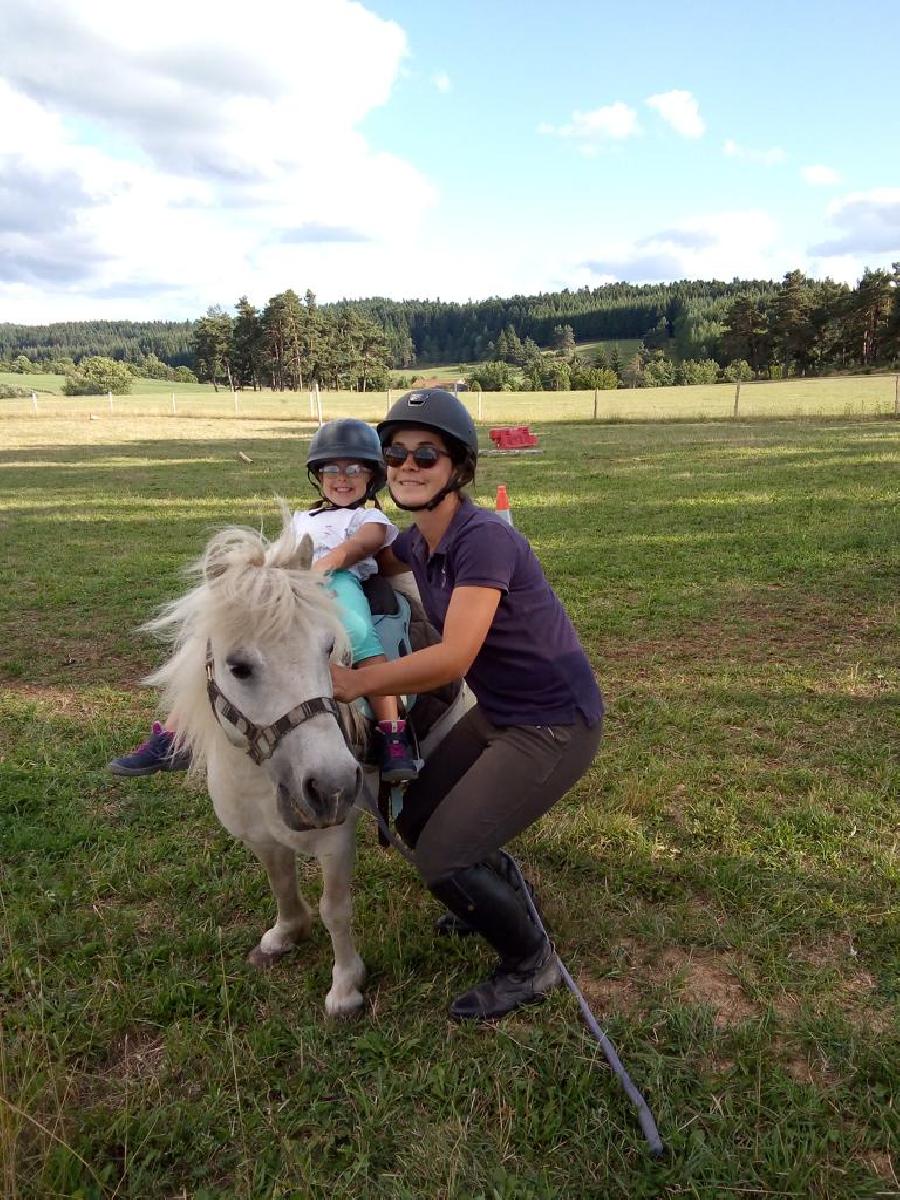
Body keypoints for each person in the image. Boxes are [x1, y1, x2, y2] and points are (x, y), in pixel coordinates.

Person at [330, 389, 604, 1021]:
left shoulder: (483, 540)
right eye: (394, 453)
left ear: (459, 468)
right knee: (416, 818)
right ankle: (500, 891)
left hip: (552, 722)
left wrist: (354, 685)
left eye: (426, 454)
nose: (407, 465)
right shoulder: (421, 539)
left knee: (442, 857)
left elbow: (453, 659)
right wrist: (332, 559)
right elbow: (379, 547)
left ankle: (531, 965)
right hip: (503, 712)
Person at [108, 419, 418, 783]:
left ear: (372, 476)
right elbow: (281, 550)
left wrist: (321, 567)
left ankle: (393, 732)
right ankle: (174, 736)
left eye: (354, 469)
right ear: (317, 475)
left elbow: (362, 545)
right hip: (290, 583)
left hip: (338, 581)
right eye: (330, 468)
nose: (342, 477)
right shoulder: (304, 516)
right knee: (218, 640)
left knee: (360, 635)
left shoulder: (369, 516)